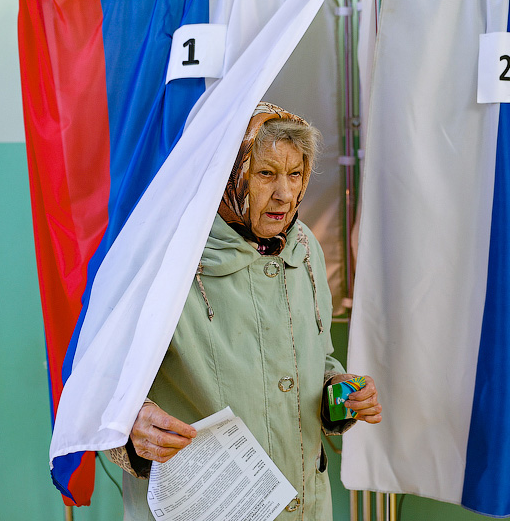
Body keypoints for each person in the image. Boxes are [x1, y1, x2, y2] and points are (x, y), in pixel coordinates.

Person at [105, 102, 382, 520]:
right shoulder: (164, 259)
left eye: (295, 174)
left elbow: (316, 361)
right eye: (266, 173)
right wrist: (131, 428)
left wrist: (341, 394)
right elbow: (100, 386)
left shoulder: (304, 246)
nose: (285, 194)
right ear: (228, 175)